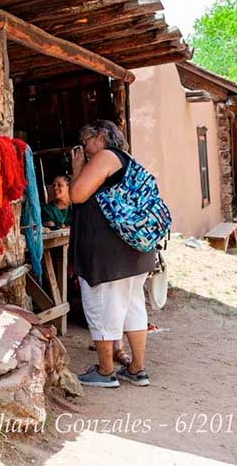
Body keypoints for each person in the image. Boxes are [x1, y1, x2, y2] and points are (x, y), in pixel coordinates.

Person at [69, 119, 155, 388]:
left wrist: (77, 168)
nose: (86, 148)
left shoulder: (105, 157)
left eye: (88, 142)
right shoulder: (127, 161)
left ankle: (105, 371)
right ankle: (137, 369)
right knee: (132, 308)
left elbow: (77, 195)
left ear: (102, 137)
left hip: (109, 254)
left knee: (102, 307)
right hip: (135, 250)